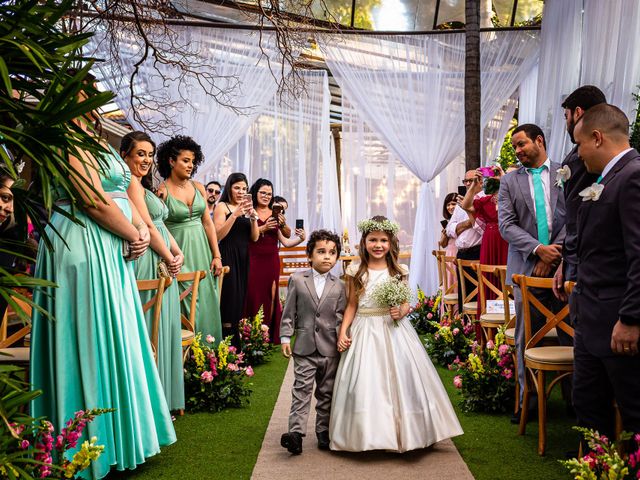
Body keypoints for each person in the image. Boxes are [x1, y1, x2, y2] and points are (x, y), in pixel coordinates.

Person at [30, 110, 175, 479]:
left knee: (116, 339)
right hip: (81, 243)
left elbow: (128, 198)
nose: (93, 105)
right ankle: (83, 445)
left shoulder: (97, 141)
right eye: (85, 94)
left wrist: (141, 232)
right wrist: (132, 233)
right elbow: (91, 200)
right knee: (90, 340)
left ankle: (118, 437)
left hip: (112, 249)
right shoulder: (64, 140)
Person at [329, 216, 462, 452]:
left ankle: (408, 431)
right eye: (373, 240)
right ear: (364, 242)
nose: (378, 245)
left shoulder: (399, 270)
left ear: (391, 243)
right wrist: (343, 331)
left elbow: (404, 304)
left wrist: (401, 311)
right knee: (365, 381)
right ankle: (366, 434)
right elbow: (351, 305)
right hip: (364, 328)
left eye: (383, 240)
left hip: (393, 330)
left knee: (401, 377)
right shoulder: (354, 270)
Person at [570, 104, 640, 438]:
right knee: (588, 406)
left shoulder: (633, 176)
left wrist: (631, 318)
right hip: (590, 317)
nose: (578, 153)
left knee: (634, 411)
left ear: (597, 138)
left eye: (579, 143)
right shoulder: (605, 178)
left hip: (617, 324)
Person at [498, 123, 568, 423]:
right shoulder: (510, 181)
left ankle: (574, 401)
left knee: (571, 335)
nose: (517, 151)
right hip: (525, 270)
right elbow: (506, 224)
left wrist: (556, 253)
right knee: (526, 335)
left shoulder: (567, 172)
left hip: (566, 269)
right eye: (515, 146)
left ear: (539, 140)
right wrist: (539, 250)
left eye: (521, 144)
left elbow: (576, 218)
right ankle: (529, 400)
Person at [122, 131, 185, 412]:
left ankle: (165, 400)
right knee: (151, 325)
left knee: (165, 324)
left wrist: (177, 250)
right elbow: (146, 226)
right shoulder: (131, 184)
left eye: (149, 154)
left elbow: (160, 223)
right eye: (140, 154)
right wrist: (168, 255)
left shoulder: (144, 186)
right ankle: (152, 406)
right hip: (149, 256)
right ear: (125, 156)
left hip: (161, 252)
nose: (146, 160)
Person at [279, 229, 346, 455]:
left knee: (327, 392)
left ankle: (323, 432)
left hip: (331, 349)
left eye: (332, 252)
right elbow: (289, 312)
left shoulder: (340, 285)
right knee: (301, 390)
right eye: (321, 252)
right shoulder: (297, 280)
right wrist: (286, 337)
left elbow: (340, 317)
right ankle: (295, 434)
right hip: (304, 347)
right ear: (310, 255)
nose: (327, 256)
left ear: (337, 257)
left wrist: (343, 339)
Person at [156, 135, 223, 341]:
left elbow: (207, 222)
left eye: (193, 161)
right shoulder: (161, 191)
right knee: (185, 301)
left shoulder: (198, 187)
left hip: (202, 251)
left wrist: (217, 255)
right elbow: (158, 227)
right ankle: (188, 360)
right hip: (180, 253)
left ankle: (211, 357)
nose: (190, 165)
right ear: (171, 160)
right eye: (186, 160)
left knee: (207, 298)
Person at [552, 86, 607, 302]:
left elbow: (574, 216)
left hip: (585, 262)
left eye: (566, 116)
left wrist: (568, 261)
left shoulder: (581, 157)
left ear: (577, 113)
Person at [244, 179, 291, 344]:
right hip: (253, 257)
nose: (266, 196)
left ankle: (268, 333)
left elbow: (287, 234)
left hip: (271, 258)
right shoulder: (249, 211)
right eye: (262, 192)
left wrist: (283, 224)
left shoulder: (275, 211)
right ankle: (252, 332)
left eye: (269, 193)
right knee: (253, 294)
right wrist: (263, 228)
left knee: (272, 293)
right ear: (256, 192)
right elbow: (248, 237)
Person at [214, 172, 259, 344]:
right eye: (237, 188)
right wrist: (234, 214)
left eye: (244, 188)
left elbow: (254, 238)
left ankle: (235, 349)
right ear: (229, 188)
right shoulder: (222, 207)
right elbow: (218, 235)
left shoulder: (247, 210)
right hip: (228, 257)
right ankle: (229, 347)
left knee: (239, 301)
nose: (241, 192)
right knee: (229, 301)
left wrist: (253, 219)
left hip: (243, 258)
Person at [461, 166, 508, 329]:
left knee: (505, 279)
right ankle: (489, 328)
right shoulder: (485, 200)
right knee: (488, 279)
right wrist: (474, 185)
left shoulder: (510, 197)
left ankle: (508, 323)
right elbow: (466, 205)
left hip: (507, 241)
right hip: (489, 242)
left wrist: (504, 178)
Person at [446, 170, 485, 310]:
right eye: (466, 181)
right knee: (464, 295)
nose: (468, 184)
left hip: (477, 253)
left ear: (480, 181)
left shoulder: (484, 200)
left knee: (479, 295)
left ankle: (477, 328)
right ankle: (465, 327)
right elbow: (449, 229)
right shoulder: (459, 204)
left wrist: (470, 219)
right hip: (461, 254)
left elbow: (484, 228)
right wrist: (468, 223)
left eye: (471, 180)